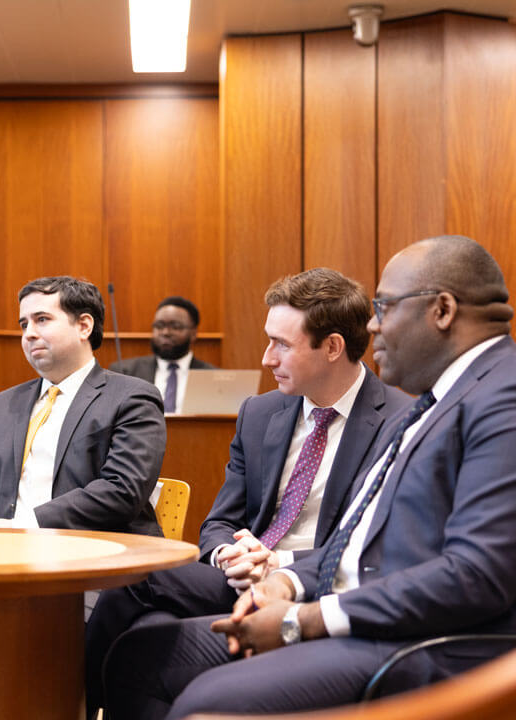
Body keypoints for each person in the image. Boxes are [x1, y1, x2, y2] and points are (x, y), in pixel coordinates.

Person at [100, 236, 516, 718]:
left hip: (435, 651)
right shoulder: (440, 402)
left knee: (203, 698)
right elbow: (358, 543)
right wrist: (290, 584)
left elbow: (476, 578)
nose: (374, 329)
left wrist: (301, 621)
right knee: (140, 655)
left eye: (384, 308)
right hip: (376, 620)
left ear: (442, 310)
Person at [84, 268, 410, 714]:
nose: (266, 359)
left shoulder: (400, 423)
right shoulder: (260, 412)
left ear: (333, 347)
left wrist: (279, 564)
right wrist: (227, 555)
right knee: (133, 583)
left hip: (317, 588)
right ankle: (75, 705)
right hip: (237, 576)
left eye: (282, 344)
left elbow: (375, 546)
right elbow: (220, 520)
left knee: (146, 639)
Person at [0, 276, 166, 535]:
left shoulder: (132, 397)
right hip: (6, 555)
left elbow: (122, 490)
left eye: (42, 319)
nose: (29, 333)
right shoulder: (2, 404)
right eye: (24, 324)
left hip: (101, 555)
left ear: (84, 326)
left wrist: (24, 527)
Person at [109, 296, 213, 414]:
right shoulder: (125, 372)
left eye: (175, 327)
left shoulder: (212, 377)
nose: (165, 332)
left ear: (194, 333)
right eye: (159, 326)